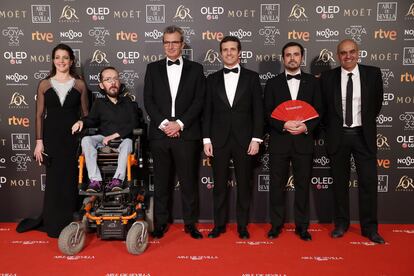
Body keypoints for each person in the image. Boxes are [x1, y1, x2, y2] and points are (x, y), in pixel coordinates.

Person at [16, 43, 89, 238]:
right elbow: (39, 115)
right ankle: (53, 222)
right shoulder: (44, 84)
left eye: (65, 57)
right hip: (51, 138)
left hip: (72, 139)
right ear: (53, 60)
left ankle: (70, 222)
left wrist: (82, 123)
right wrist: (39, 141)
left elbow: (86, 114)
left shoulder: (80, 84)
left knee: (70, 179)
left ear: (71, 61)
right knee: (54, 180)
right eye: (58, 57)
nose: (61, 61)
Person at [320, 39, 385, 244]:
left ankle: (370, 228)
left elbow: (376, 105)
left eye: (352, 52)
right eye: (343, 53)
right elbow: (324, 109)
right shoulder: (327, 77)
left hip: (363, 136)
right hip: (338, 137)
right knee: (340, 184)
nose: (348, 56)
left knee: (368, 183)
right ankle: (341, 224)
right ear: (337, 56)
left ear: (358, 52)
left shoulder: (373, 74)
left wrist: (361, 124)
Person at [143, 26, 205, 239]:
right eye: (167, 42)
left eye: (175, 42)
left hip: (186, 134)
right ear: (163, 44)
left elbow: (199, 101)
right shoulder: (152, 68)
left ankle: (190, 224)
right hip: (160, 135)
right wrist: (164, 124)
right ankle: (160, 223)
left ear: (182, 44)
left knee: (188, 182)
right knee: (161, 182)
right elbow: (148, 100)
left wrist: (179, 124)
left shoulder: (196, 69)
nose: (170, 46)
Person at [203, 36, 263, 239]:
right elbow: (207, 112)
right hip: (219, 140)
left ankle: (242, 226)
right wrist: (206, 139)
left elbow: (258, 111)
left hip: (245, 140)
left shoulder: (252, 78)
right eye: (225, 50)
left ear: (240, 52)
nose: (229, 53)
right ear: (220, 53)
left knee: (244, 185)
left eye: (232, 49)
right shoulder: (211, 79)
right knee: (219, 185)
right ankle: (219, 225)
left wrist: (256, 138)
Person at [264, 42, 321, 241]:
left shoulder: (313, 83)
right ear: (283, 58)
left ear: (302, 58)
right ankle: (276, 225)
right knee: (276, 186)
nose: (292, 58)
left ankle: (302, 227)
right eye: (288, 55)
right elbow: (267, 114)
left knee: (303, 186)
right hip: (280, 142)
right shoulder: (272, 84)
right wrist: (283, 124)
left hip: (304, 142)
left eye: (296, 54)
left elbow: (319, 112)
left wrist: (307, 127)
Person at [71, 67, 139, 192]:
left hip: (123, 139)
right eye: (108, 79)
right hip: (103, 139)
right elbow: (91, 120)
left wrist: (114, 136)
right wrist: (82, 121)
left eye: (115, 79)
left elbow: (134, 123)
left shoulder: (128, 102)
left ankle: (117, 179)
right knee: (86, 140)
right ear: (102, 85)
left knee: (129, 142)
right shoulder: (99, 103)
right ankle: (95, 180)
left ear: (119, 82)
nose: (113, 82)